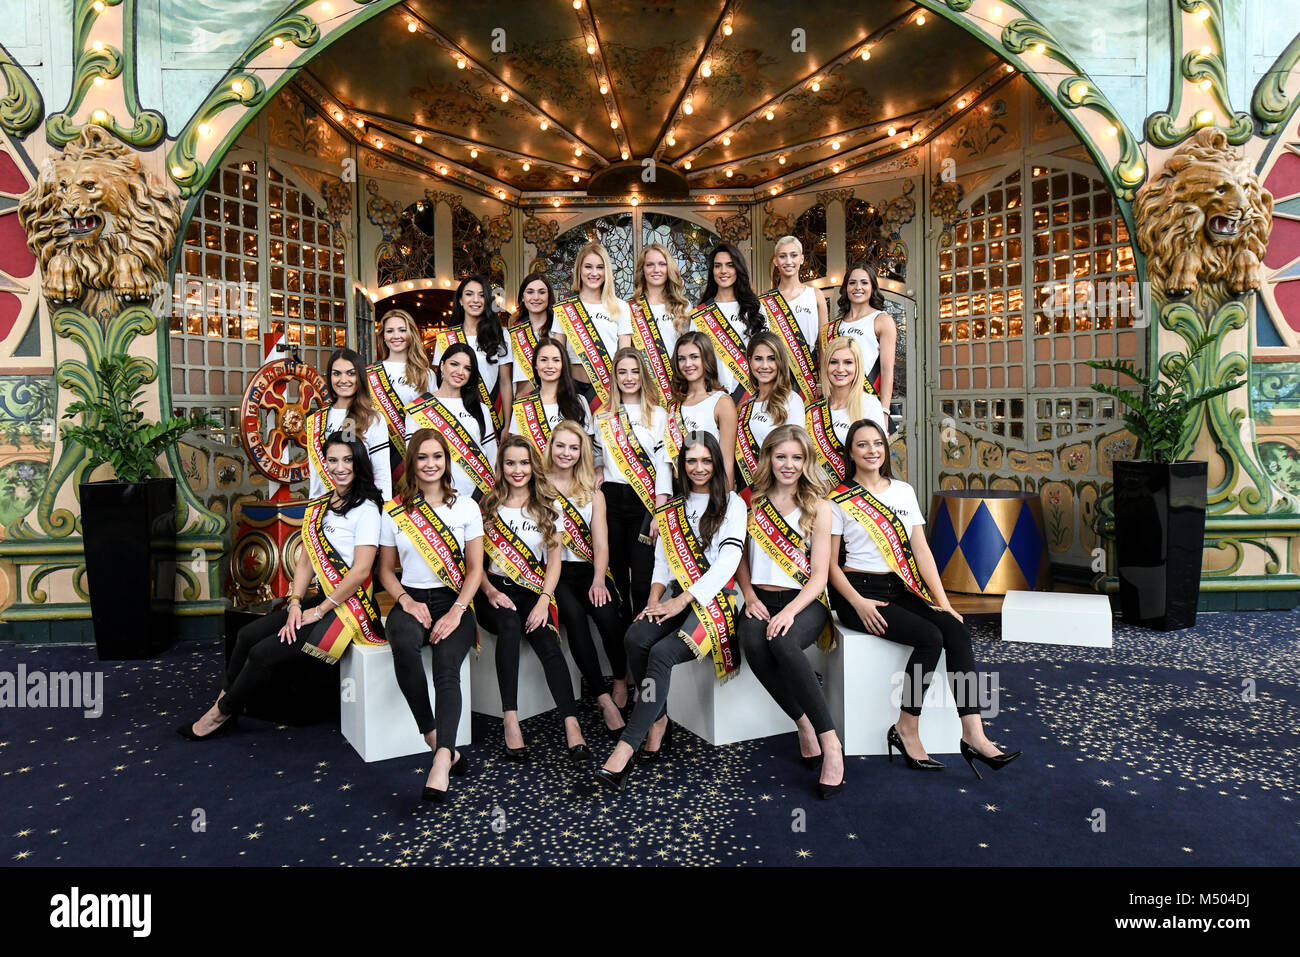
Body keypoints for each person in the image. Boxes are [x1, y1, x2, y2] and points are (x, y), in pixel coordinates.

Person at [826, 419, 1022, 777]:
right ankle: (907, 727)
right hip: (859, 594)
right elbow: (829, 565)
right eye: (862, 445)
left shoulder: (903, 491)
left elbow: (921, 551)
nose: (872, 451)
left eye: (877, 443)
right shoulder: (838, 500)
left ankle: (974, 733)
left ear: (885, 449)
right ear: (851, 453)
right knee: (930, 637)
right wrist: (857, 602)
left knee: (956, 631)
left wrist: (943, 603)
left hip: (901, 587)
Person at [179, 433, 384, 740]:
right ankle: (227, 705)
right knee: (247, 635)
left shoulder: (366, 508)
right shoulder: (322, 504)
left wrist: (318, 612)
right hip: (320, 598)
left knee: (262, 654)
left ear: (358, 463)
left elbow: (360, 571)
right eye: (332, 460)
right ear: (324, 463)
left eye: (347, 460)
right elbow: (305, 559)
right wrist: (296, 603)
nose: (340, 467)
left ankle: (218, 715)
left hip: (348, 609)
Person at [594, 433, 747, 792]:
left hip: (714, 603)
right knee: (635, 637)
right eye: (691, 461)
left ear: (717, 464)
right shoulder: (672, 508)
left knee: (661, 653)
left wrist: (681, 601)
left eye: (706, 460)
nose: (698, 468)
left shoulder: (733, 504)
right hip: (676, 596)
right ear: (681, 467)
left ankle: (626, 747)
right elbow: (662, 564)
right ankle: (658, 719)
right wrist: (653, 601)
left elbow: (728, 563)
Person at [735, 425, 844, 798]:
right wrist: (749, 596)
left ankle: (831, 744)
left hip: (806, 602)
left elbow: (818, 577)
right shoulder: (749, 501)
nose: (788, 464)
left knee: (782, 643)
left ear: (806, 461)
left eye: (797, 457)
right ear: (768, 457)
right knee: (754, 645)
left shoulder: (818, 506)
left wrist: (789, 612)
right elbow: (738, 559)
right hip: (760, 600)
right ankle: (803, 724)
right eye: (781, 456)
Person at [375, 428, 482, 803]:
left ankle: (440, 763)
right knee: (403, 644)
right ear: (411, 463)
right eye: (422, 457)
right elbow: (386, 570)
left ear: (446, 462)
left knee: (446, 667)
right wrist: (405, 600)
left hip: (455, 601)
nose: (431, 464)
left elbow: (474, 571)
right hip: (412, 599)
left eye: (437, 456)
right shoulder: (396, 510)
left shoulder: (466, 507)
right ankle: (436, 739)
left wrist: (456, 611)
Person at [477, 435, 591, 762]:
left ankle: (571, 722)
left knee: (547, 639)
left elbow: (553, 564)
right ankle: (510, 720)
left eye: (524, 463)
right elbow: (475, 565)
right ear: (501, 466)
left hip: (532, 591)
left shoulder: (547, 507)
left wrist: (544, 600)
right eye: (510, 463)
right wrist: (490, 590)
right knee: (510, 628)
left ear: (533, 466)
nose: (517, 470)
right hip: (493, 591)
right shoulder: (488, 505)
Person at [594, 347, 673, 698]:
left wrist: (660, 510)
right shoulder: (602, 416)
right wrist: (597, 468)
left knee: (642, 586)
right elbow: (596, 455)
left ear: (643, 375)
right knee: (615, 587)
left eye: (634, 371)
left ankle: (640, 668)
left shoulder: (659, 415)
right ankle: (621, 673)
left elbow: (664, 466)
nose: (628, 377)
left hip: (644, 505)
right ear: (614, 376)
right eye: (621, 371)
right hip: (611, 502)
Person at [543, 421, 627, 738]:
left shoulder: (592, 491)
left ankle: (620, 678)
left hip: (589, 569)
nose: (566, 453)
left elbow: (602, 544)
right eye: (560, 445)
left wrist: (598, 580)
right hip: (555, 573)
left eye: (573, 447)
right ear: (551, 447)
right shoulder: (538, 486)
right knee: (575, 619)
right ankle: (603, 699)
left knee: (607, 614)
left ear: (582, 453)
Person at [405, 343, 498, 502]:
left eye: (467, 368)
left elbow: (492, 456)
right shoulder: (419, 408)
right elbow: (412, 455)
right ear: (442, 365)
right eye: (454, 364)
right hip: (433, 496)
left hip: (476, 494)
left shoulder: (481, 409)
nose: (460, 372)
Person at [306, 348, 392, 501]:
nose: (343, 380)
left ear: (360, 377)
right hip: (326, 507)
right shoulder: (317, 419)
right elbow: (315, 476)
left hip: (361, 506)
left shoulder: (372, 418)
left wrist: (383, 513)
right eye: (337, 373)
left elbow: (382, 473)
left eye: (351, 373)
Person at [434, 274, 512, 436]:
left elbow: (505, 382)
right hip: (456, 413)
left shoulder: (500, 334)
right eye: (469, 294)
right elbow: (439, 383)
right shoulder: (446, 338)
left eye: (481, 295)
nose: (475, 300)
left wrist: (507, 425)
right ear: (461, 300)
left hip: (493, 413)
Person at [554, 241, 628, 410]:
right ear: (579, 269)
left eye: (600, 267)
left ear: (606, 271)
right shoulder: (565, 307)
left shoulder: (621, 306)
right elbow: (557, 352)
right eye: (588, 267)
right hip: (572, 387)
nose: (594, 273)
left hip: (607, 388)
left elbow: (624, 357)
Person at [806, 337, 887, 484]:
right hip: (815, 494)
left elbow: (878, 456)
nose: (840, 369)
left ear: (857, 366)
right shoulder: (813, 411)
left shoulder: (869, 405)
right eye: (834, 362)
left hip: (853, 496)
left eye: (848, 362)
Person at [617, 242, 692, 400]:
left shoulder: (683, 306)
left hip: (678, 386)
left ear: (669, 269)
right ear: (642, 270)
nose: (656, 270)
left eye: (662, 264)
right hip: (643, 389)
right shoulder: (629, 308)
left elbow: (691, 350)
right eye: (650, 265)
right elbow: (624, 355)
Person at [367, 309, 436, 476]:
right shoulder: (369, 373)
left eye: (402, 330)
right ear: (383, 336)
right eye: (390, 331)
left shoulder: (426, 374)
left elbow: (433, 418)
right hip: (378, 450)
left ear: (411, 333)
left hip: (414, 452)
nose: (396, 336)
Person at [691, 242, 765, 399]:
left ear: (738, 269)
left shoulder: (754, 307)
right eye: (718, 266)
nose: (723, 271)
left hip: (750, 390)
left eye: (730, 265)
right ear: (712, 271)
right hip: (712, 392)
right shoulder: (701, 314)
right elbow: (694, 356)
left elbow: (767, 350)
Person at [758, 236, 827, 403]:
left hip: (807, 375)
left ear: (802, 259)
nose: (788, 261)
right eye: (782, 256)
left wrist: (822, 380)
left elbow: (823, 342)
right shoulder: (764, 301)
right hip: (776, 374)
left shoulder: (815, 295)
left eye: (794, 255)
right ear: (775, 261)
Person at [735, 331, 806, 492]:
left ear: (781, 362)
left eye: (772, 359)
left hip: (780, 490)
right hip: (748, 490)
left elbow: (797, 450)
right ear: (750, 362)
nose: (765, 366)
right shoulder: (745, 407)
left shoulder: (791, 400)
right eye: (758, 359)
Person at [666, 331, 737, 487]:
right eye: (681, 359)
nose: (687, 364)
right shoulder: (675, 404)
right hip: (679, 489)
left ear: (706, 359)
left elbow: (727, 461)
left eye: (694, 357)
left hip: (711, 489)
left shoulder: (722, 402)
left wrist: (726, 503)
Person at [507, 336, 597, 460]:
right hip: (534, 476)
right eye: (544, 360)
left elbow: (587, 448)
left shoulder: (578, 401)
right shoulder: (523, 405)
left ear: (563, 365)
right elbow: (516, 449)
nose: (550, 365)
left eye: (556, 360)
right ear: (535, 365)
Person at [827, 263, 897, 414]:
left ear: (872, 288)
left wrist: (884, 410)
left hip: (866, 399)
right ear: (846, 287)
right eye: (852, 283)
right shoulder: (835, 325)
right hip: (837, 401)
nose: (858, 287)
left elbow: (887, 370)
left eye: (864, 282)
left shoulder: (881, 320)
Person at [508, 273, 561, 398]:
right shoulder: (513, 333)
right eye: (530, 292)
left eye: (542, 292)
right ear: (522, 297)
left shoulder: (559, 331)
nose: (536, 297)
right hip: (523, 404)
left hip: (553, 402)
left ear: (549, 297)